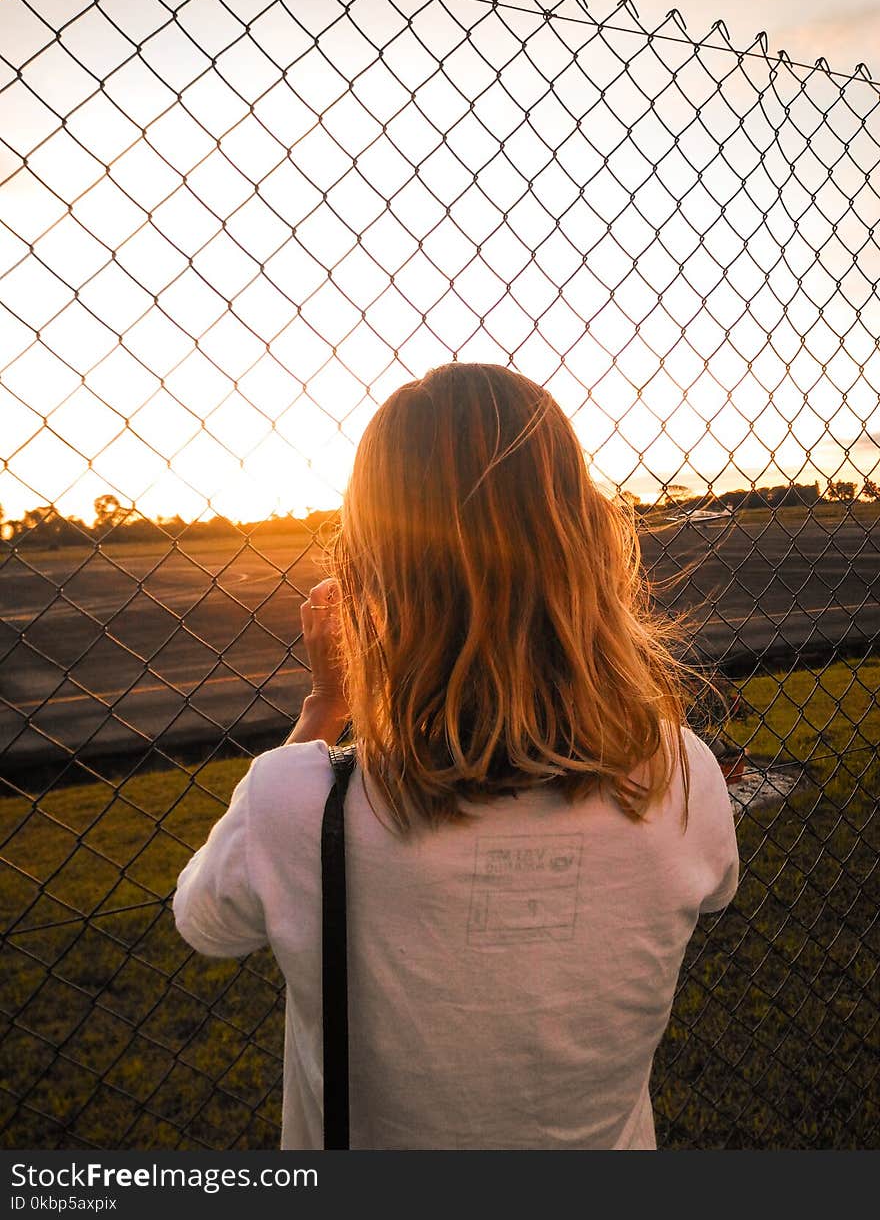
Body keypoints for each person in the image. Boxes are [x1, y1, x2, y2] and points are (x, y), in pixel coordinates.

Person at [173, 363, 739, 1150]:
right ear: (588, 544)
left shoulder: (302, 803)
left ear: (373, 575)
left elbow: (205, 920)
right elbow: (711, 892)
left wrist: (323, 709)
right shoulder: (681, 777)